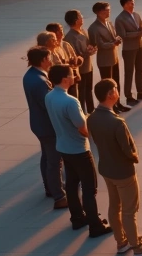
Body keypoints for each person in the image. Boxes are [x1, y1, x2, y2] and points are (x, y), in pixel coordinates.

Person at [88, 79, 142, 256]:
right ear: (110, 95)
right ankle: (138, 247)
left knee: (114, 206)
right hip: (123, 171)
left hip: (106, 167)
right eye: (115, 89)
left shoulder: (92, 118)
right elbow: (128, 149)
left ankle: (121, 241)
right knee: (130, 210)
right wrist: (134, 158)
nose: (117, 90)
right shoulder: (117, 122)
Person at [44, 64, 110, 236]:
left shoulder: (50, 96)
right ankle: (95, 224)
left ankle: (77, 218)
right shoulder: (70, 101)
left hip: (63, 147)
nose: (74, 76)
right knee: (89, 188)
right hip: (79, 149)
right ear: (65, 79)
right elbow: (82, 126)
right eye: (72, 74)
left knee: (72, 185)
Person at [23, 47, 66, 210]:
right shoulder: (40, 81)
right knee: (55, 161)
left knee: (47, 157)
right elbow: (49, 105)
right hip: (48, 126)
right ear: (42, 60)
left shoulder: (30, 75)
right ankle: (59, 195)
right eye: (49, 58)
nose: (51, 60)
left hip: (38, 124)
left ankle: (49, 187)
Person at [88, 1, 130, 113]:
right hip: (105, 59)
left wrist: (117, 39)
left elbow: (114, 36)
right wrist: (113, 43)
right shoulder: (94, 28)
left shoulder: (109, 23)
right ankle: (110, 106)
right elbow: (99, 44)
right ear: (100, 12)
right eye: (107, 10)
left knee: (116, 81)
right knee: (108, 85)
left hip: (114, 56)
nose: (109, 12)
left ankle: (118, 103)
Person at [114, 0, 142, 106]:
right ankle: (128, 96)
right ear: (125, 5)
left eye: (133, 2)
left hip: (140, 45)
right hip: (129, 48)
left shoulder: (136, 15)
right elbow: (122, 35)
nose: (133, 5)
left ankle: (140, 91)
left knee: (139, 69)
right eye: (130, 3)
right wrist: (138, 33)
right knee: (129, 72)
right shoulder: (120, 19)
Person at [63, 10, 97, 113]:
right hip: (80, 70)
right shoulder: (69, 37)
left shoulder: (83, 31)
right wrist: (87, 53)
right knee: (81, 93)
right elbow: (74, 57)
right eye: (80, 16)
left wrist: (91, 49)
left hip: (88, 66)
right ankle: (82, 113)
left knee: (89, 90)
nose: (82, 18)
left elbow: (88, 46)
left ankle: (91, 111)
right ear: (76, 20)